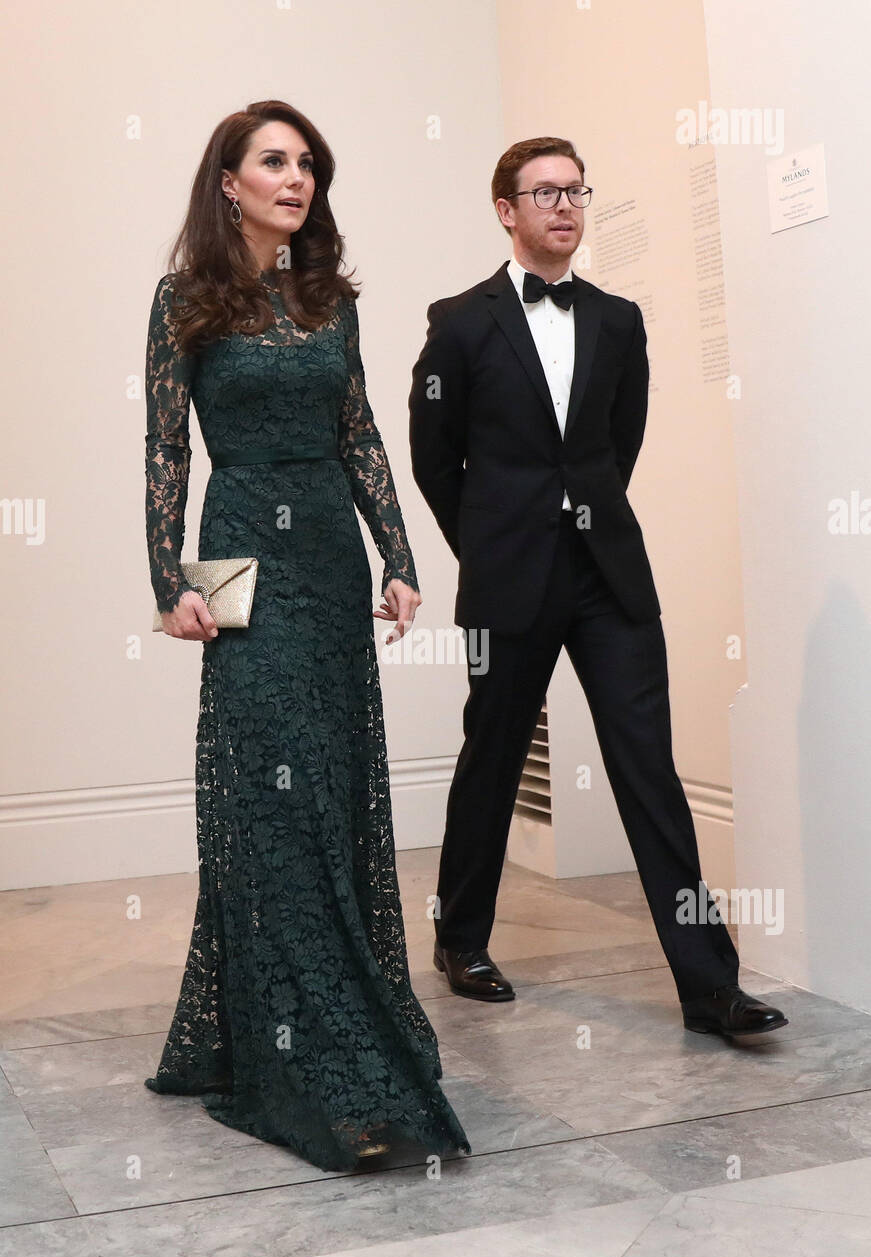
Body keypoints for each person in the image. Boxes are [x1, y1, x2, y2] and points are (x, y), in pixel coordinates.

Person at [142, 99, 470, 1170]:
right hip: (239, 549)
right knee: (268, 796)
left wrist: (401, 554)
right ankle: (307, 1067)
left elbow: (359, 428)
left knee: (326, 791)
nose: (296, 179)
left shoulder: (331, 302)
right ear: (226, 181)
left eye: (308, 166)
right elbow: (166, 452)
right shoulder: (184, 298)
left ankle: (328, 1020)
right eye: (273, 162)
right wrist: (168, 580)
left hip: (328, 554)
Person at [408, 135, 788, 1041]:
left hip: (609, 577)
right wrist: (494, 546)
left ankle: (708, 987)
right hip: (511, 581)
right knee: (491, 757)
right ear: (506, 210)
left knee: (646, 769)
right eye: (544, 193)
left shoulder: (619, 320)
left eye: (576, 190)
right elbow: (434, 461)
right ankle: (459, 938)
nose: (564, 207)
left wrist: (581, 516)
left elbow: (620, 444)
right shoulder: (458, 322)